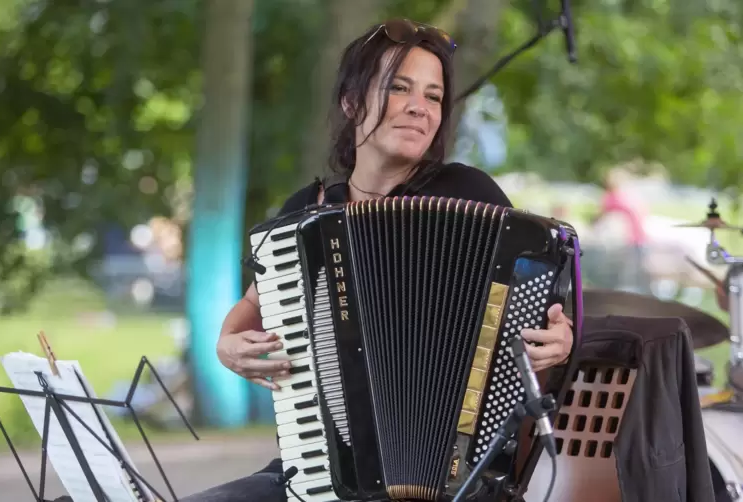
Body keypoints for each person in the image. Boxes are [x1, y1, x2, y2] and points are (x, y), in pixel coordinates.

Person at [187, 18, 574, 502]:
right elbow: (246, 316)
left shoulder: (470, 196)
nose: (420, 108)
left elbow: (545, 309)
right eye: (399, 88)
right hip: (325, 463)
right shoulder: (307, 217)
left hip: (458, 475)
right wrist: (228, 347)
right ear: (352, 102)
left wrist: (560, 339)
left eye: (434, 97)